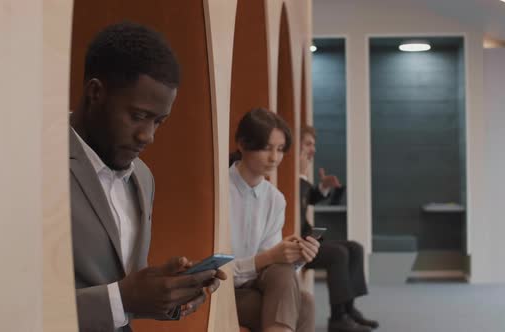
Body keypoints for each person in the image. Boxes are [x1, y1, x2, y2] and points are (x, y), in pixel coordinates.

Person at [70, 22, 226, 331]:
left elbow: (126, 289)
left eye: (159, 121)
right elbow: (11, 303)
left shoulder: (143, 177)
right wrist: (123, 300)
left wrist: (168, 294)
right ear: (95, 93)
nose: (147, 135)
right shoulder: (36, 163)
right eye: (139, 116)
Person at [229, 108, 320, 332]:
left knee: (287, 276)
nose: (274, 158)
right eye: (267, 148)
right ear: (242, 144)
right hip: (222, 290)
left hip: (255, 286)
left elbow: (275, 270)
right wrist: (269, 257)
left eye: (280, 150)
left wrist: (295, 257)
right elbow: (216, 268)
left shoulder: (275, 199)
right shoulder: (219, 190)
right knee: (303, 305)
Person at [300, 126, 379, 332]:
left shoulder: (300, 177)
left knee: (355, 247)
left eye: (313, 145)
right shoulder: (290, 175)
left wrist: (323, 187)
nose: (312, 151)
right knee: (338, 253)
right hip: (299, 244)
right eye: (308, 144)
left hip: (309, 238)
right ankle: (337, 320)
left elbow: (308, 197)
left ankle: (348, 309)